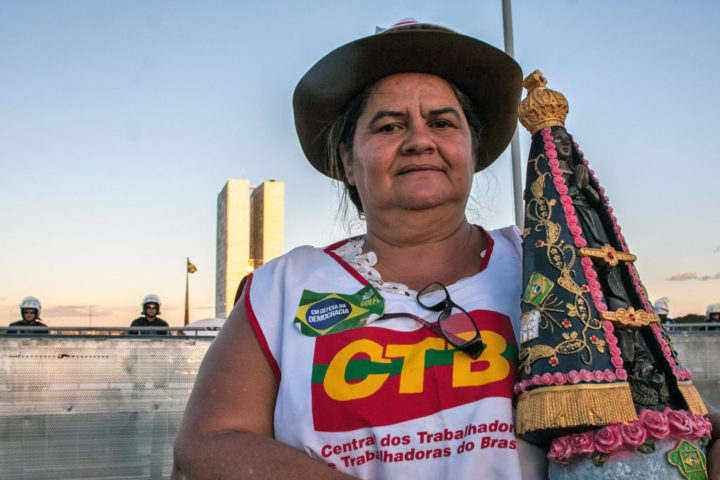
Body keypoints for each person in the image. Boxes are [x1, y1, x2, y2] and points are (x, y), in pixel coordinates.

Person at [173, 20, 547, 479]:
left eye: (442, 123)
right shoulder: (282, 288)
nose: (419, 141)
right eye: (389, 126)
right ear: (349, 162)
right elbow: (207, 445)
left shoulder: (548, 263)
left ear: (472, 150)